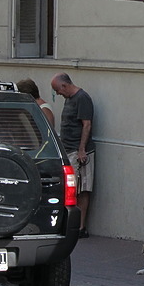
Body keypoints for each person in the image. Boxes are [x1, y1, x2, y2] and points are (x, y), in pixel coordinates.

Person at [51, 73, 95, 238]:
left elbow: (87, 124)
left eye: (58, 90)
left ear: (64, 85)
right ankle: (71, 224)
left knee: (81, 189)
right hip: (68, 149)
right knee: (71, 188)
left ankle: (80, 226)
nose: (58, 94)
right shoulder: (69, 99)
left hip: (78, 151)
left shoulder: (82, 98)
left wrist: (81, 149)